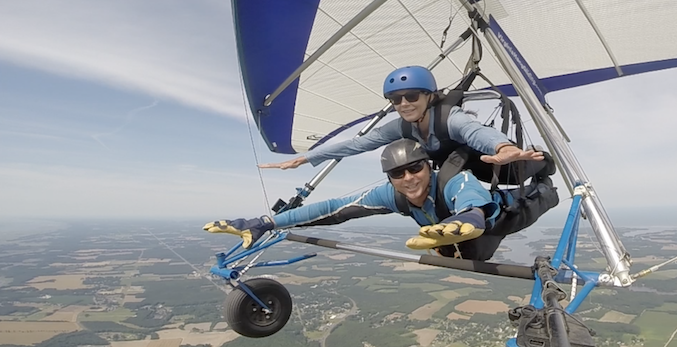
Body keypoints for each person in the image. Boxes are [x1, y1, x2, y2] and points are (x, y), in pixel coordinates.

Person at [205, 139, 559, 261]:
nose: (409, 178)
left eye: (415, 168)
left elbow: (470, 200)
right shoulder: (394, 194)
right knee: (463, 251)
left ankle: (544, 175)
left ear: (428, 165)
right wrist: (267, 222)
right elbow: (334, 209)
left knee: (537, 197)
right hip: (460, 240)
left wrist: (471, 220)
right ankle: (458, 237)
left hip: (494, 220)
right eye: (398, 174)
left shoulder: (453, 179)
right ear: (389, 178)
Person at [259, 66, 551, 185]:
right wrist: (307, 157)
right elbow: (357, 144)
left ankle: (546, 163)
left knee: (536, 170)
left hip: (503, 165)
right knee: (447, 173)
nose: (404, 104)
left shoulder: (450, 117)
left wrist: (503, 147)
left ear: (429, 96)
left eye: (411, 96)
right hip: (473, 174)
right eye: (396, 100)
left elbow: (476, 132)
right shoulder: (401, 127)